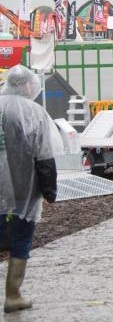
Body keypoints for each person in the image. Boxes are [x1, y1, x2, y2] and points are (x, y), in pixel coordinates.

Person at [0, 66, 58, 313]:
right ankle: (13, 296)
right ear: (25, 85)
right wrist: (49, 191)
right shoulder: (34, 112)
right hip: (23, 185)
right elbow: (44, 155)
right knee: (21, 237)